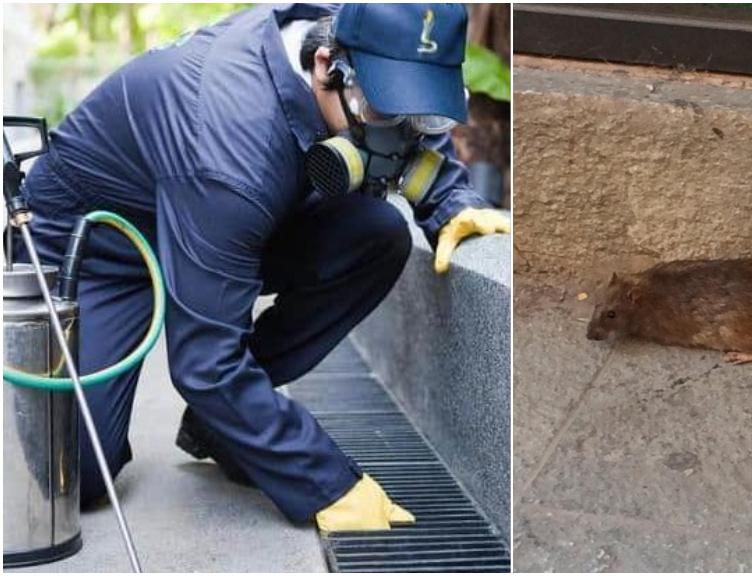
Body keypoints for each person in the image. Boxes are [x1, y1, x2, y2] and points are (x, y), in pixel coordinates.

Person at [15, 3, 508, 530]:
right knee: (76, 473)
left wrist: (452, 202)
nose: (399, 136)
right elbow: (205, 360)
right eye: (384, 114)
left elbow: (411, 117)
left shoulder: (366, 28)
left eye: (422, 112)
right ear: (325, 65)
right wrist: (323, 482)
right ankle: (229, 415)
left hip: (219, 213)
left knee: (378, 236)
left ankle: (221, 426)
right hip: (98, 249)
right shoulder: (231, 146)